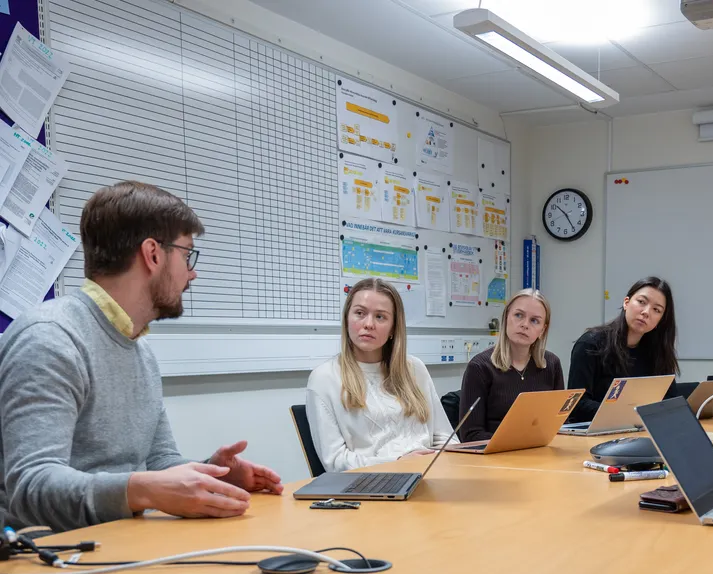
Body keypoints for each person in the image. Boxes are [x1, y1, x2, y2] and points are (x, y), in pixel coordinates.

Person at [0, 181, 282, 533]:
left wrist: (213, 473)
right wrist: (141, 489)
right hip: (42, 562)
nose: (192, 272)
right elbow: (31, 486)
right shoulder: (50, 339)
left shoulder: (139, 349)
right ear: (153, 254)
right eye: (186, 254)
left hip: (117, 543)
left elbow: (159, 461)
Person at [306, 278, 451, 471]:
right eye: (360, 313)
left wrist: (448, 466)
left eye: (380, 317)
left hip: (429, 475)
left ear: (393, 328)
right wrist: (398, 464)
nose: (368, 324)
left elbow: (445, 438)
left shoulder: (415, 369)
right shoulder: (324, 378)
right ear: (347, 319)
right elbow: (335, 462)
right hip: (372, 484)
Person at [567, 276, 679, 423]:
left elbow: (670, 403)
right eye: (641, 302)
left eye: (656, 310)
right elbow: (577, 406)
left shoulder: (659, 353)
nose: (646, 312)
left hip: (642, 432)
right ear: (626, 303)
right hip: (596, 434)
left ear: (660, 320)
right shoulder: (590, 344)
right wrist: (627, 414)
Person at [459, 289, 564, 442]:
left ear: (543, 330)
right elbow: (471, 435)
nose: (525, 325)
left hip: (540, 455)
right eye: (518, 315)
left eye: (534, 320)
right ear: (506, 317)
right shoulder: (480, 367)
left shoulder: (551, 364)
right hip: (496, 458)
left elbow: (559, 423)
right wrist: (517, 444)